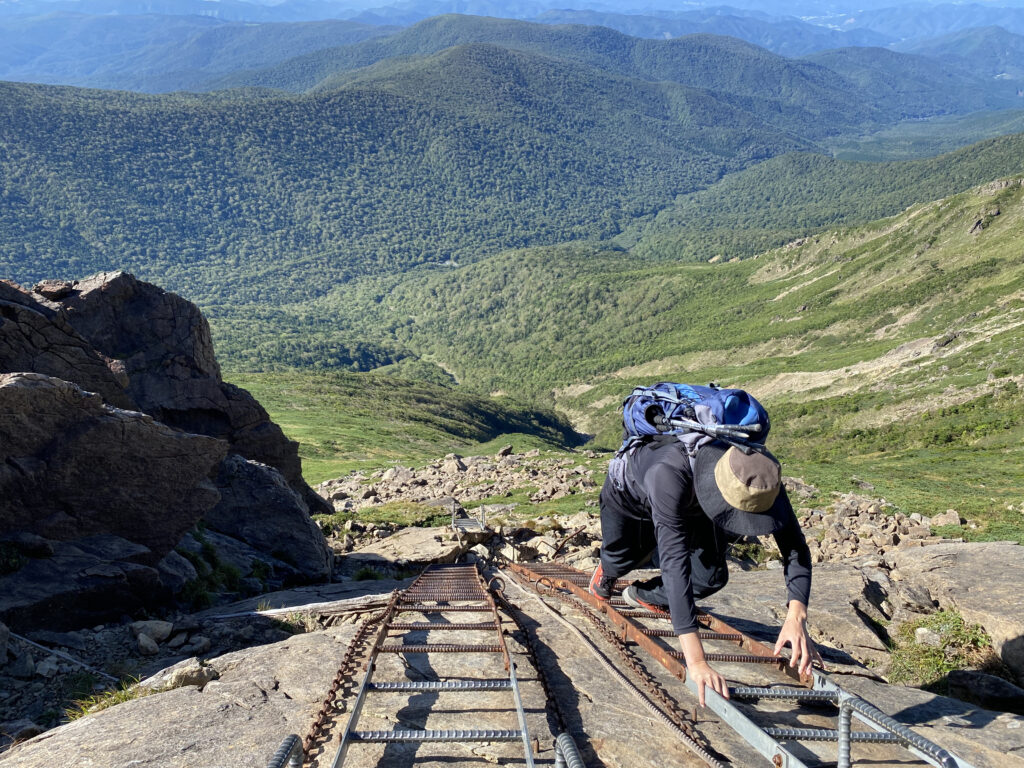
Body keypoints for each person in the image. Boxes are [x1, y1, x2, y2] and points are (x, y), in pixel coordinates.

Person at [589, 435, 819, 706]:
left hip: (698, 500)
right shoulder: (668, 474)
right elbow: (676, 565)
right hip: (630, 499)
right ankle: (609, 567)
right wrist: (696, 661)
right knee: (623, 558)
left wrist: (796, 617)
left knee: (710, 576)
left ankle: (644, 594)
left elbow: (795, 548)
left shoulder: (760, 478)